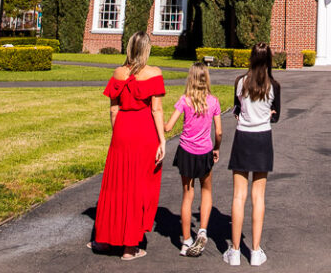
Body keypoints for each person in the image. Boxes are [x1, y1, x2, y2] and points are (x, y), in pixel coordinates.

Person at [91, 31, 166, 260]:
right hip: (144, 131)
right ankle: (129, 247)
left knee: (115, 185)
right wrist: (162, 139)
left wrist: (119, 133)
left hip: (122, 130)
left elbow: (113, 109)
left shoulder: (117, 73)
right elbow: (157, 109)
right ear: (146, 50)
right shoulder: (154, 73)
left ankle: (104, 239)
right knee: (139, 187)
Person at [224, 43, 281, 267]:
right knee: (259, 197)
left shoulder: (240, 82)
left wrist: (243, 113)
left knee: (239, 196)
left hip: (243, 138)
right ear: (268, 61)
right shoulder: (273, 85)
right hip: (262, 139)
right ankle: (256, 251)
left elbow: (236, 109)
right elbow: (275, 116)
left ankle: (235, 251)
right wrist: (268, 113)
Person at [164, 61, 223, 256]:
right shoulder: (213, 102)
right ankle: (203, 230)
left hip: (186, 152)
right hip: (204, 151)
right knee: (206, 190)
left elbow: (168, 127)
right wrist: (217, 148)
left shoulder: (184, 100)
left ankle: (186, 241)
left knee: (187, 195)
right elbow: (219, 131)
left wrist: (158, 119)